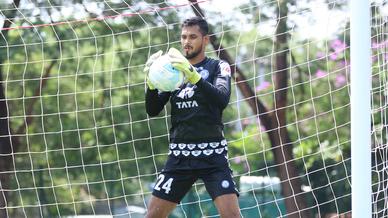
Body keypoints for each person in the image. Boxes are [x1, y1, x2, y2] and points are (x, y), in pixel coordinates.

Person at [144, 16, 240, 218]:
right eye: (184, 37)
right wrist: (151, 84)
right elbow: (153, 110)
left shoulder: (219, 66)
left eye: (193, 37)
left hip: (213, 156)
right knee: (152, 216)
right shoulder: (173, 71)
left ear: (205, 40)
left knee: (231, 215)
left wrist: (194, 75)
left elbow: (222, 99)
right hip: (180, 158)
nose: (187, 42)